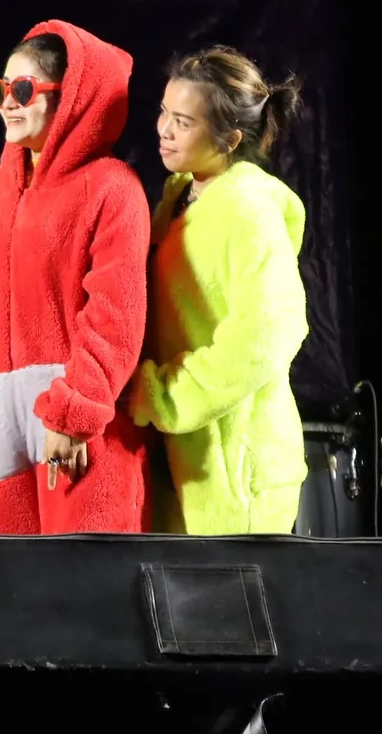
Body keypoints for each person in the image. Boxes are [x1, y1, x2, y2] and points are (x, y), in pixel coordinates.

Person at [0, 23, 151, 535]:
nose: (9, 102)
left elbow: (115, 314)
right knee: (2, 577)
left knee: (84, 575)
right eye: (2, 89)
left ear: (70, 99)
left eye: (24, 90)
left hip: (77, 427)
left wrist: (75, 413)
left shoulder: (112, 187)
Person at [129, 48, 309, 534]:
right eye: (164, 111)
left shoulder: (248, 209)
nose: (164, 129)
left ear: (230, 138)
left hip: (239, 475)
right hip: (188, 464)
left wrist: (169, 399)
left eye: (183, 121)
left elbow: (269, 332)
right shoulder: (181, 197)